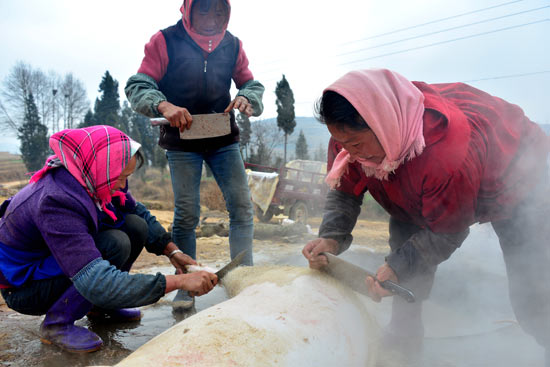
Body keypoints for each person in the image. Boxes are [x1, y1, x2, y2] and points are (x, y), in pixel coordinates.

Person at [302, 69, 550, 365]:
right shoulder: (349, 139)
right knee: (403, 255)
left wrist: (398, 265)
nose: (350, 154)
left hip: (519, 175)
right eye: (342, 144)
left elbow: (448, 229)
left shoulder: (445, 154)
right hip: (415, 181)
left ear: (384, 123)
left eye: (356, 145)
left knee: (534, 287)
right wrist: (331, 236)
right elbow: (345, 189)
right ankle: (404, 341)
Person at [0, 125, 218, 353]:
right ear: (103, 168)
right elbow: (96, 280)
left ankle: (102, 306)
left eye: (127, 177)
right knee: (114, 244)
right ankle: (57, 323)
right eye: (121, 177)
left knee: (135, 226)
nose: (124, 185)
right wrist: (179, 283)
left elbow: (137, 210)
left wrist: (172, 251)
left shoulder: (92, 175)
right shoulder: (56, 200)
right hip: (25, 288)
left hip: (54, 262)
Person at [125, 0, 264, 311]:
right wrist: (164, 106)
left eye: (220, 11)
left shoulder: (233, 45)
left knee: (242, 208)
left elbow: (251, 83)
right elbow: (138, 84)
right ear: (188, 9)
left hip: (222, 138)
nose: (213, 18)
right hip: (181, 140)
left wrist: (246, 95)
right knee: (187, 214)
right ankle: (186, 287)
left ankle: (246, 281)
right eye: (204, 9)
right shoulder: (165, 41)